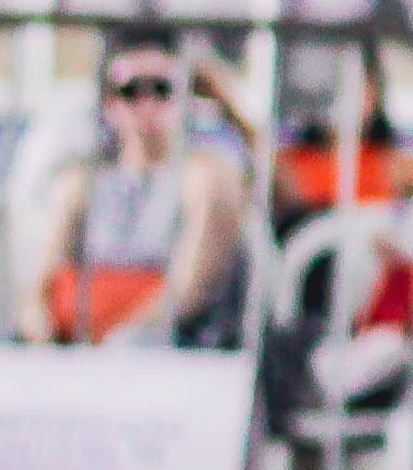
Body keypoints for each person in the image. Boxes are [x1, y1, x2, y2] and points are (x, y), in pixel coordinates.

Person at [26, 26, 250, 348]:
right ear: (109, 102)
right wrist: (43, 334)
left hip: (176, 348)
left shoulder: (206, 176)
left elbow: (188, 293)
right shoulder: (81, 181)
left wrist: (119, 342)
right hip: (82, 344)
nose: (147, 105)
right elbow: (40, 287)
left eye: (161, 89)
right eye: (132, 91)